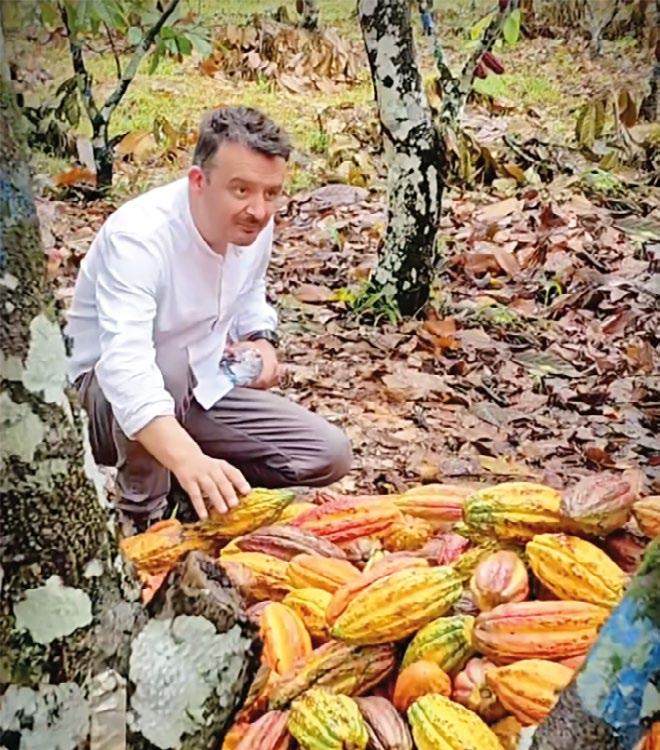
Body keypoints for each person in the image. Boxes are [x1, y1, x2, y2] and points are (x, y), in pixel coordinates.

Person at [65, 106, 352, 530]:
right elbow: (125, 368)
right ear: (198, 181)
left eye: (271, 193)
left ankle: (193, 493)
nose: (259, 209)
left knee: (327, 452)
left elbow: (250, 287)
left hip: (203, 383)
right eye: (241, 190)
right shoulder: (139, 237)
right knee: (167, 366)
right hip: (103, 403)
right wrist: (188, 458)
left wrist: (261, 337)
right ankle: (141, 517)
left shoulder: (253, 222)